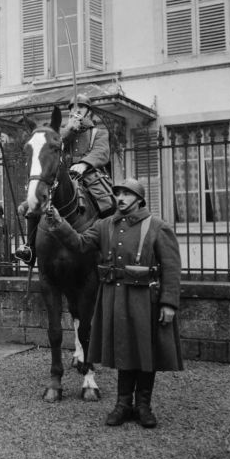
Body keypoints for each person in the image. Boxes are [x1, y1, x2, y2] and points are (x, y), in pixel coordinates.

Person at [43, 178, 183, 428]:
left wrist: (169, 304)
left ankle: (143, 406)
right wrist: (58, 222)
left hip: (145, 299)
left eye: (127, 194)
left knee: (145, 352)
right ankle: (122, 404)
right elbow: (80, 243)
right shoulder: (105, 225)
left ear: (139, 199)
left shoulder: (158, 227)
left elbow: (171, 269)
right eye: (118, 193)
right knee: (123, 350)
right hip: (117, 298)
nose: (120, 198)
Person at [15, 94, 112, 267]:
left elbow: (101, 152)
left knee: (108, 201)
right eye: (73, 109)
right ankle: (30, 248)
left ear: (88, 112)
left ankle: (110, 247)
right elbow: (52, 145)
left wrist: (84, 164)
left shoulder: (99, 132)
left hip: (89, 174)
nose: (76, 111)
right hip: (63, 176)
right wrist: (70, 129)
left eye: (80, 108)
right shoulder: (63, 132)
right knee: (34, 203)